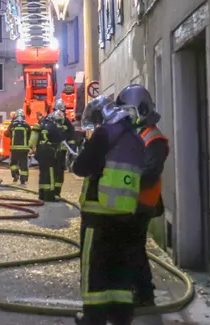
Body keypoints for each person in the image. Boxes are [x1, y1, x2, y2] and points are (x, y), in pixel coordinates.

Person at [71, 95, 147, 325]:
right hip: (126, 215)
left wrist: (85, 150)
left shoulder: (105, 133)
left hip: (99, 213)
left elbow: (81, 167)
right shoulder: (135, 137)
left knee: (95, 268)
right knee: (121, 267)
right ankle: (121, 316)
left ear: (101, 115)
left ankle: (93, 318)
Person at [115, 84, 170, 307]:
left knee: (134, 248)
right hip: (133, 200)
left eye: (130, 112)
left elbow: (150, 172)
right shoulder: (140, 134)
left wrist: (124, 181)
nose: (127, 117)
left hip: (143, 201)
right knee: (130, 246)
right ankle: (138, 287)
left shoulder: (153, 138)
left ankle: (144, 293)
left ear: (141, 109)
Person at [29, 107, 65, 201]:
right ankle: (50, 195)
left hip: (40, 151)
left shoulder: (42, 124)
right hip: (49, 152)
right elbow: (59, 141)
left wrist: (32, 148)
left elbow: (33, 139)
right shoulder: (55, 128)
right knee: (51, 174)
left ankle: (42, 193)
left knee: (43, 172)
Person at [52, 100, 75, 198]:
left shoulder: (65, 122)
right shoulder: (65, 121)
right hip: (55, 150)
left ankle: (55, 191)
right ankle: (54, 191)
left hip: (57, 150)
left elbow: (71, 137)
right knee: (56, 171)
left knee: (55, 170)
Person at [7, 108, 31, 184]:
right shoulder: (26, 125)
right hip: (24, 149)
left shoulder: (12, 125)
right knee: (23, 164)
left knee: (13, 163)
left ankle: (15, 175)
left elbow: (7, 134)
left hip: (14, 149)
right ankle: (23, 180)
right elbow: (30, 135)